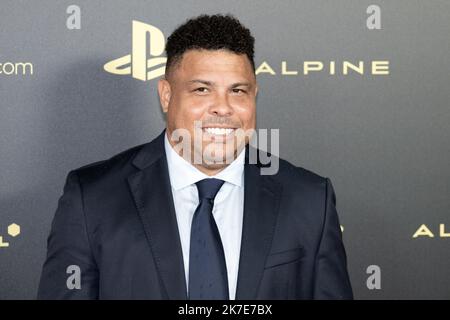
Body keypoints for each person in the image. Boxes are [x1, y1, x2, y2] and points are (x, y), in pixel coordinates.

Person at [37, 14, 353, 300]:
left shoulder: (310, 200)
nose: (223, 107)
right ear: (166, 95)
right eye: (202, 90)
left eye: (238, 91)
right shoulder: (92, 198)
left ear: (254, 95)